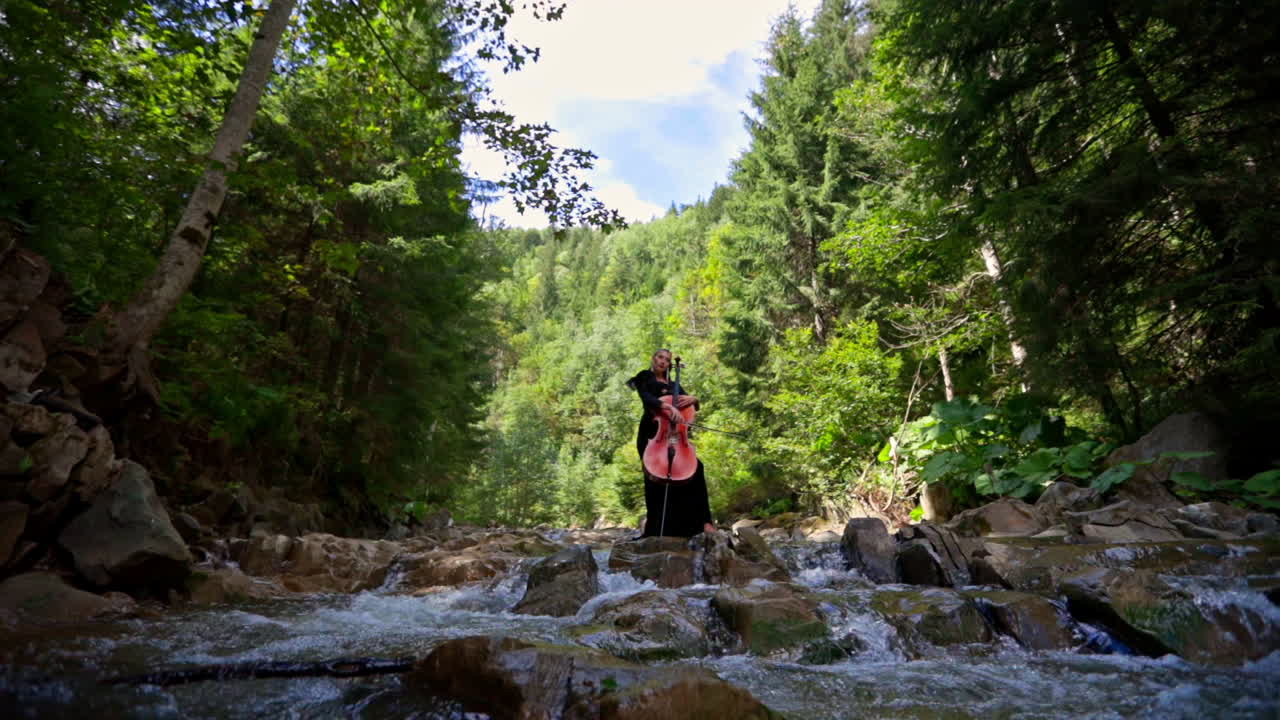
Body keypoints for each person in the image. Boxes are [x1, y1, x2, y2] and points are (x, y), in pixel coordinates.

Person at [626, 348, 715, 537]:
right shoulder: (645, 377)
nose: (663, 361)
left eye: (667, 359)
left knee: (696, 469)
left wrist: (695, 399)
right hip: (653, 435)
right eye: (660, 357)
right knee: (655, 480)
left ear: (669, 364)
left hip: (675, 437)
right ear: (653, 358)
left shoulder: (675, 386)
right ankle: (654, 529)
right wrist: (665, 405)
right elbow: (646, 397)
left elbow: (689, 407)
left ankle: (703, 523)